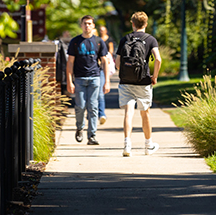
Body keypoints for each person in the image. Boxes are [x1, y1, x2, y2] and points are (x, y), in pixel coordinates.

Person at [116, 12, 161, 157]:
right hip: (143, 81)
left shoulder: (125, 39)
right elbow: (158, 59)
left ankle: (127, 145)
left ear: (132, 23)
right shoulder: (151, 40)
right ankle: (148, 146)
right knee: (145, 112)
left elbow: (117, 63)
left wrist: (126, 70)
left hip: (126, 82)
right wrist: (154, 76)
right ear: (146, 24)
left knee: (128, 112)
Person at [66, 16, 111, 145]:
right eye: (85, 24)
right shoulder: (75, 42)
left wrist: (107, 80)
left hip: (95, 77)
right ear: (81, 25)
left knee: (93, 107)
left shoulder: (98, 41)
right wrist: (69, 81)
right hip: (79, 78)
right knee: (80, 107)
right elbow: (70, 63)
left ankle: (92, 135)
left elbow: (105, 61)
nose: (87, 26)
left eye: (89, 24)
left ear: (93, 26)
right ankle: (80, 128)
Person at [97, 25, 117, 125]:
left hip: (102, 65)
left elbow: (111, 49)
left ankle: (101, 114)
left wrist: (108, 57)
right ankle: (93, 114)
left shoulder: (108, 39)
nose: (101, 31)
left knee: (100, 93)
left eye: (103, 30)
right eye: (100, 30)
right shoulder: (97, 39)